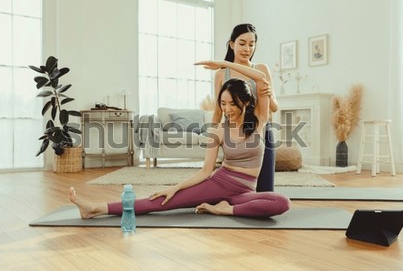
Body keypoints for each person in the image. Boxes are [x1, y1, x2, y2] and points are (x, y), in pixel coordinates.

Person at [69, 60, 290, 219]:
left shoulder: (260, 120)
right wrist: (175, 187)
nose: (227, 109)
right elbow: (206, 171)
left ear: (245, 101)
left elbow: (260, 77)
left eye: (232, 103)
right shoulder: (219, 130)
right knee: (161, 202)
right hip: (218, 185)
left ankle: (223, 209)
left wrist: (224, 64)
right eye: (223, 103)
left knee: (281, 202)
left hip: (244, 193)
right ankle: (97, 208)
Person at [212, 23, 278, 192]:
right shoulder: (221, 74)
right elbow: (218, 110)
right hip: (234, 134)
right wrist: (213, 137)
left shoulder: (261, 70)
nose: (247, 49)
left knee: (265, 190)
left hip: (261, 132)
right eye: (242, 43)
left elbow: (275, 108)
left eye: (251, 44)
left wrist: (270, 94)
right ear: (232, 44)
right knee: (237, 189)